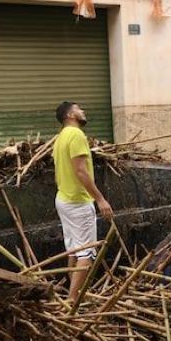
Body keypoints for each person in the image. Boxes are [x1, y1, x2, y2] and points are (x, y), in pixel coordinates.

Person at [52, 101, 113, 303]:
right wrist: (100, 199)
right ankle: (72, 298)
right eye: (79, 109)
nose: (83, 111)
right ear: (70, 114)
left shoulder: (60, 138)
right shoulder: (76, 135)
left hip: (63, 199)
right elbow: (80, 171)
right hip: (78, 202)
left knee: (74, 249)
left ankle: (74, 292)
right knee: (86, 253)